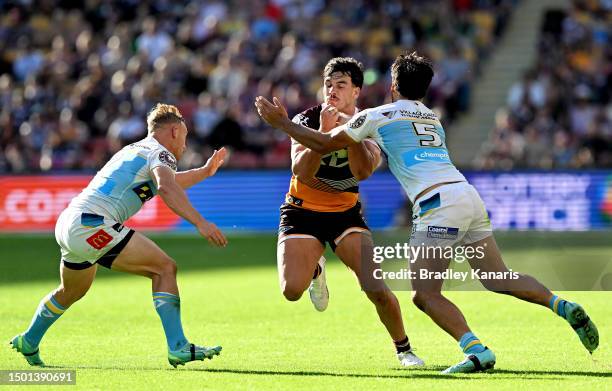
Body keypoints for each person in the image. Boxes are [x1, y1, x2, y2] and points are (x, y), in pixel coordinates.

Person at [254, 52, 599, 374]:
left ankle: (476, 350)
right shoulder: (433, 119)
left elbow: (330, 146)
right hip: (468, 196)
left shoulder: (376, 116)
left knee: (424, 294)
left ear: (391, 86)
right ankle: (560, 304)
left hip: (436, 205)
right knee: (497, 277)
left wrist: (282, 123)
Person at [11, 103, 228, 368]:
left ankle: (29, 341)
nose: (184, 144)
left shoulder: (135, 149)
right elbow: (167, 188)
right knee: (164, 269)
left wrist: (204, 172)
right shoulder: (161, 153)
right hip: (93, 224)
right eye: (184, 135)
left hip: (70, 221)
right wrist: (200, 223)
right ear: (173, 131)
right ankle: (179, 346)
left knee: (71, 290)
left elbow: (166, 183)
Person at [278, 57, 423, 367]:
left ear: (356, 91)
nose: (332, 90)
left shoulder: (370, 123)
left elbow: (362, 172)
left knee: (375, 287)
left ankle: (404, 349)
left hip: (345, 214)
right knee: (291, 291)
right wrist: (323, 132)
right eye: (328, 84)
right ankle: (315, 269)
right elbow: (301, 172)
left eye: (341, 85)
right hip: (301, 210)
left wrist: (350, 132)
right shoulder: (306, 120)